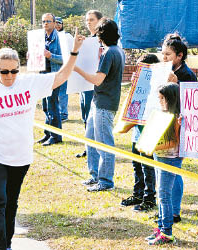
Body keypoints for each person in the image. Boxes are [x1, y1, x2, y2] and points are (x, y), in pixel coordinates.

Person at [0, 30, 85, 250]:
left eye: (14, 71)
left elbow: (61, 76)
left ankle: (7, 243)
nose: (10, 76)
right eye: (5, 72)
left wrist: (74, 52)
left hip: (21, 156)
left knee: (11, 202)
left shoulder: (28, 83)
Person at [74, 18, 125, 192]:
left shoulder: (110, 53)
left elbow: (97, 79)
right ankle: (94, 175)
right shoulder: (117, 50)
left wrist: (77, 69)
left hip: (104, 103)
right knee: (90, 140)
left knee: (104, 144)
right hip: (99, 101)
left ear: (101, 34)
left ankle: (106, 181)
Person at [160, 33, 197, 223]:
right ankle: (165, 209)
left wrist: (177, 84)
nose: (164, 58)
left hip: (180, 127)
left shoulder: (187, 75)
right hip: (164, 124)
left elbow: (193, 103)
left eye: (168, 55)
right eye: (163, 54)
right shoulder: (163, 70)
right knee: (163, 170)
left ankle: (174, 211)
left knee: (175, 170)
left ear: (179, 55)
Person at [144, 83, 182, 245]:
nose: (160, 101)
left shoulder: (176, 118)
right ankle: (160, 227)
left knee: (164, 195)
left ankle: (167, 232)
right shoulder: (161, 114)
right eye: (159, 98)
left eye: (163, 98)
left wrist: (152, 146)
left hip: (169, 158)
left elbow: (173, 142)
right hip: (160, 157)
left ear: (171, 99)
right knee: (161, 194)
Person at [121, 54, 159, 212]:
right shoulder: (139, 84)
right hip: (137, 128)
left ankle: (149, 198)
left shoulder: (158, 84)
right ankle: (138, 193)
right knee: (136, 163)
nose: (137, 71)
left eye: (141, 69)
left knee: (147, 165)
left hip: (149, 130)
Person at [75, 9, 103, 158]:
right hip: (83, 82)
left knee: (94, 118)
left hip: (95, 83)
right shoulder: (88, 39)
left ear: (99, 20)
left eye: (91, 19)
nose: (88, 23)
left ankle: (95, 148)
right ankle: (89, 147)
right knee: (85, 115)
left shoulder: (102, 41)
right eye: (87, 20)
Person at [37, 13, 64, 146]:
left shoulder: (59, 38)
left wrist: (50, 55)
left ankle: (56, 136)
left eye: (48, 21)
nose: (45, 23)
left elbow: (65, 58)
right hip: (42, 74)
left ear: (54, 23)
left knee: (52, 104)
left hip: (54, 75)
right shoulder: (40, 37)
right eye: (43, 21)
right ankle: (48, 133)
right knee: (45, 106)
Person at [54, 16, 71, 122]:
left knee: (63, 92)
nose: (57, 25)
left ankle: (64, 114)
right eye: (55, 23)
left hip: (64, 66)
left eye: (59, 23)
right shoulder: (49, 36)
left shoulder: (67, 36)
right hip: (52, 67)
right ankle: (56, 112)